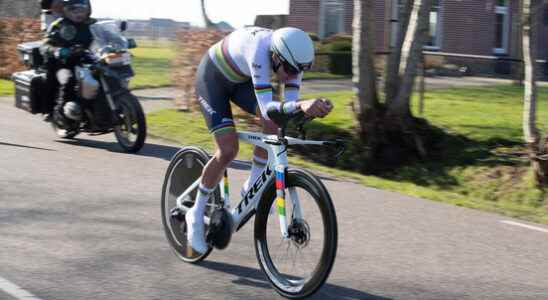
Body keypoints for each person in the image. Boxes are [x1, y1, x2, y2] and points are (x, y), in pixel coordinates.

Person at [187, 27, 334, 253]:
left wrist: (310, 108)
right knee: (228, 150)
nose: (293, 76)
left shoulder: (293, 60)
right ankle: (195, 214)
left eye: (299, 71)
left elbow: (286, 111)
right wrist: (300, 105)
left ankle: (252, 185)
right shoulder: (258, 50)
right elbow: (268, 109)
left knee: (275, 124)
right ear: (275, 57)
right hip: (213, 78)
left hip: (240, 81)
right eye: (290, 70)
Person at [41, 0, 94, 123]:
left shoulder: (92, 23)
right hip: (65, 60)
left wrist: (121, 42)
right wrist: (58, 50)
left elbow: (105, 35)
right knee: (69, 79)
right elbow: (45, 44)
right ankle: (58, 112)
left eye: (82, 9)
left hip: (88, 58)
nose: (78, 13)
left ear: (87, 10)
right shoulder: (59, 25)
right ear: (66, 11)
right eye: (74, 10)